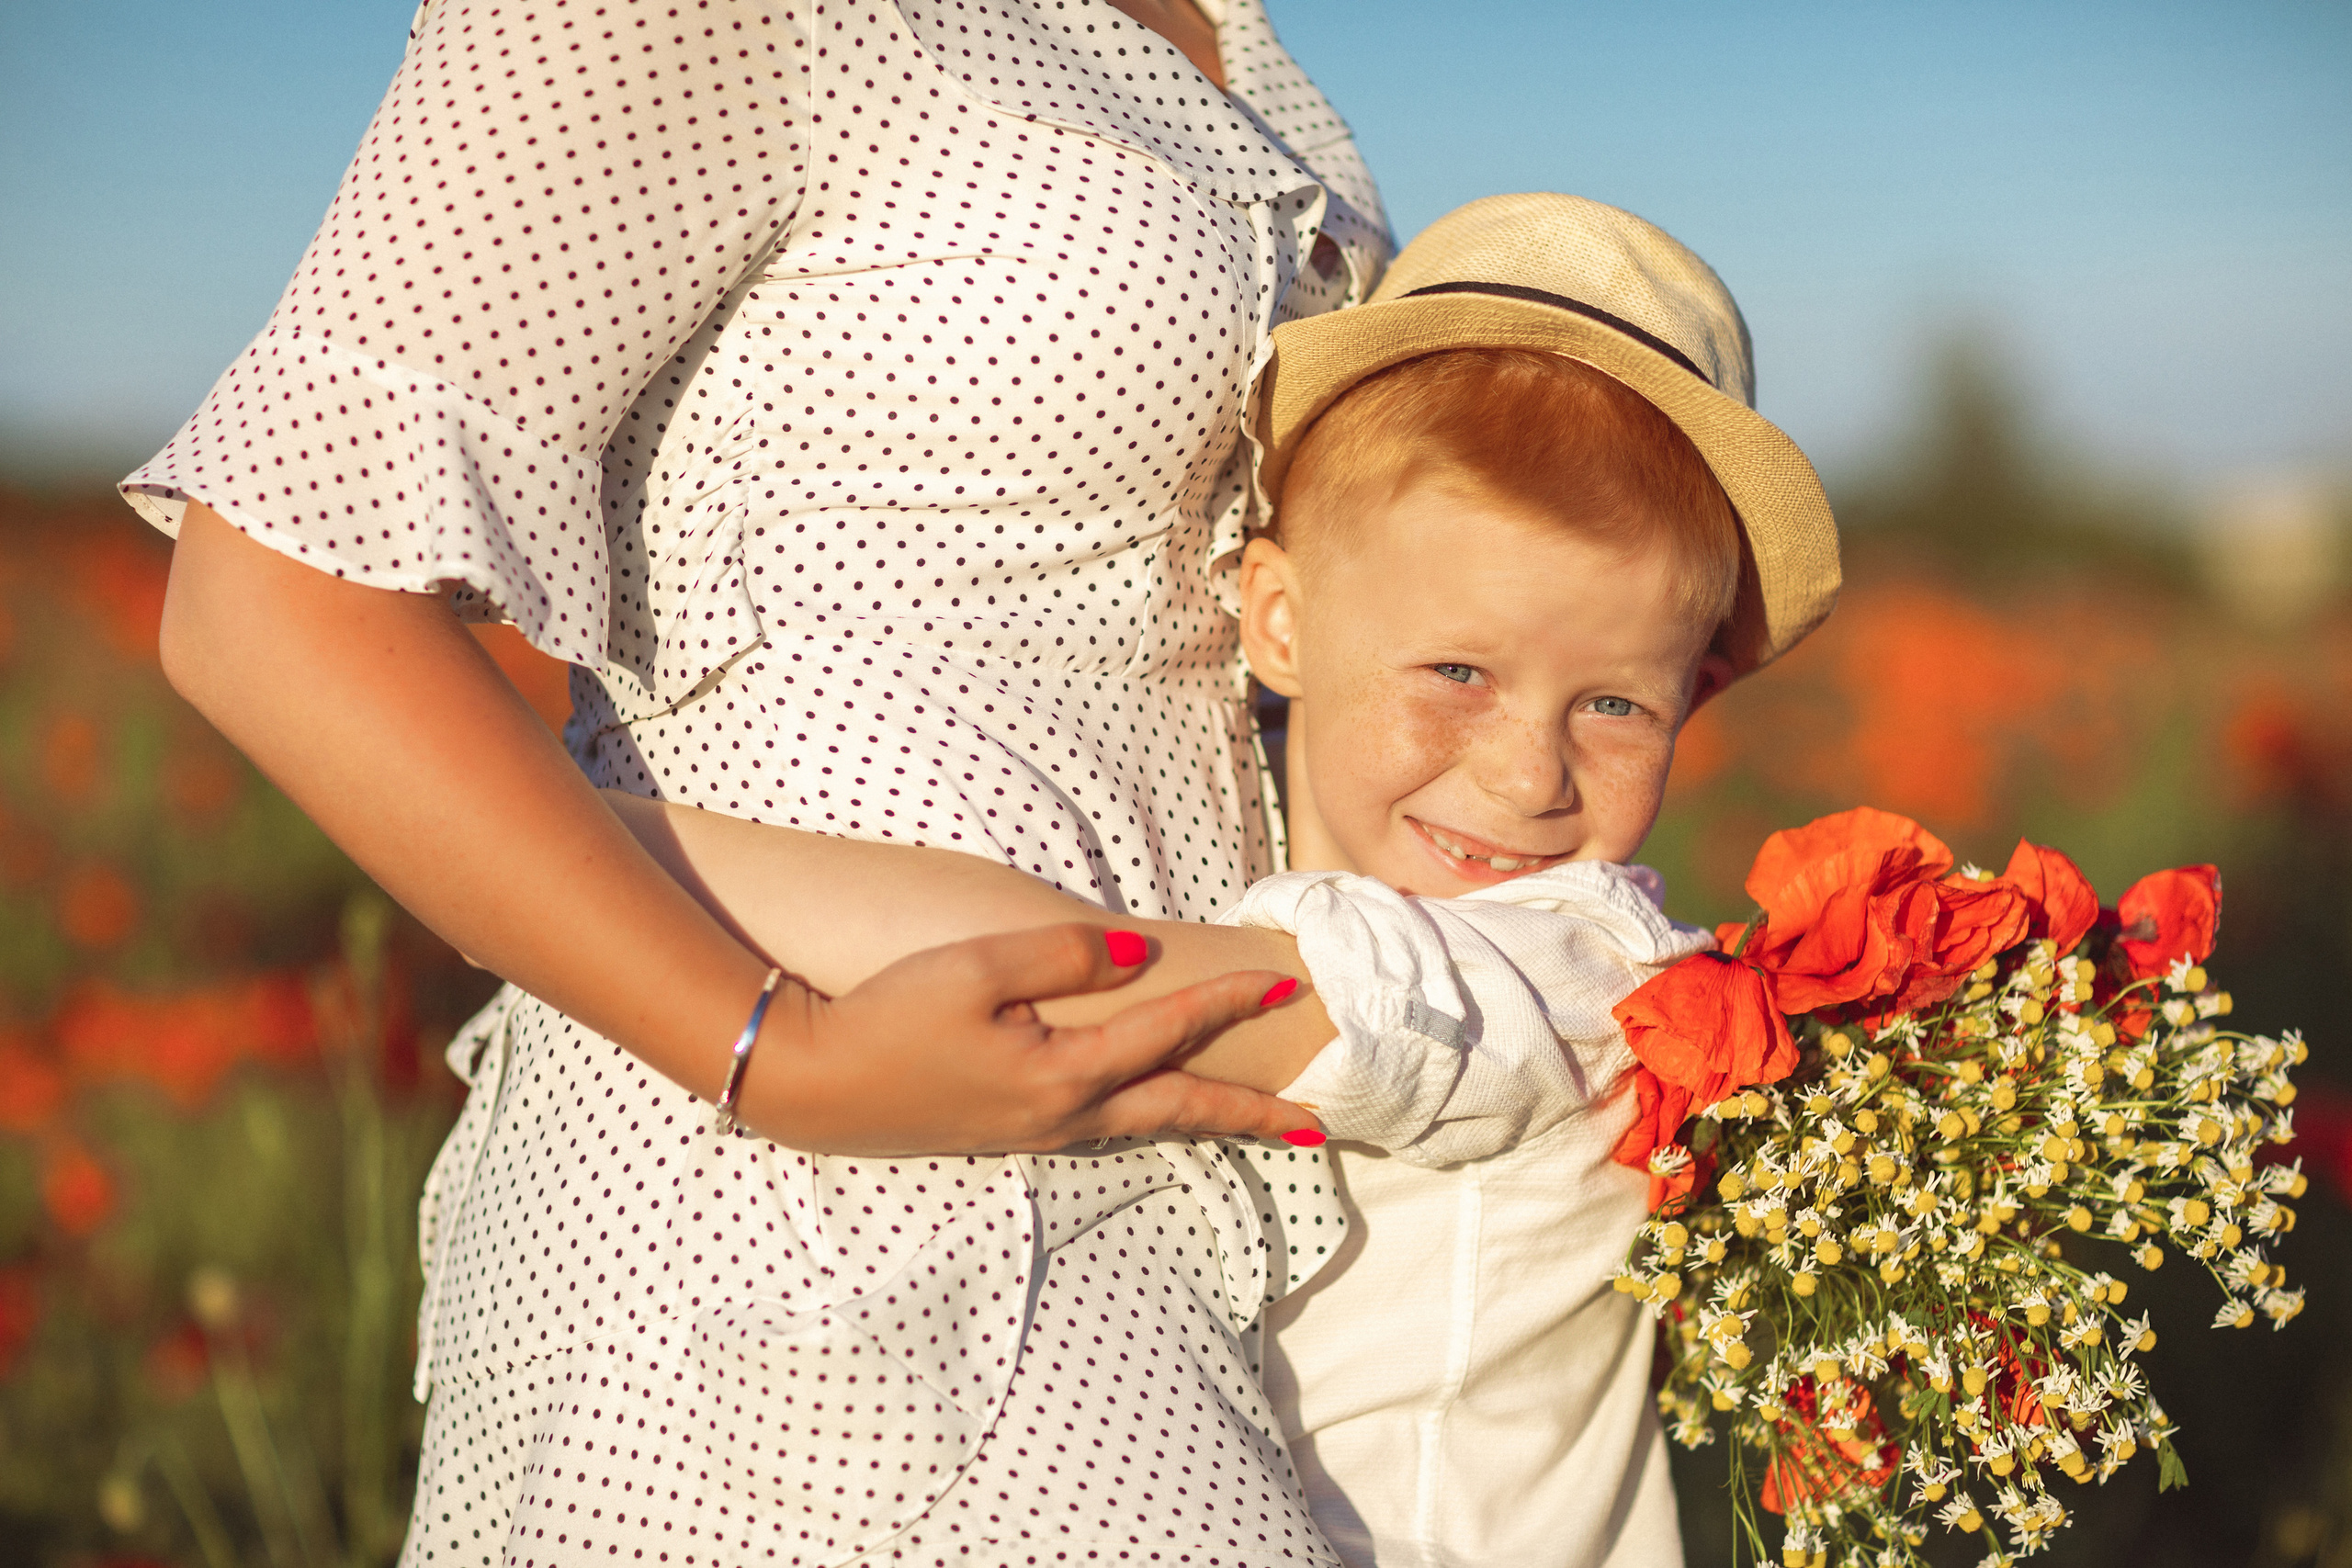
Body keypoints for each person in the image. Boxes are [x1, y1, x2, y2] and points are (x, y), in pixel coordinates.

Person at [124, 0, 1392, 1561]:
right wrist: (776, 1055)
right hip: (803, 1218)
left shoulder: (1238, 43)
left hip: (1202, 1209)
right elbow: (271, 603)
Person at [614, 193, 1842, 1566]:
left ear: (1701, 695)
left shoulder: (1577, 980)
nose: (1527, 777)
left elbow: (1092, 981)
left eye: (1615, 707)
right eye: (1458, 674)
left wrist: (609, 846)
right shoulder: (1246, 813)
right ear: (1279, 622)